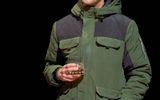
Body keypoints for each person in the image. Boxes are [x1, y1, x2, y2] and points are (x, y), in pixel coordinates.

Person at [43, 0, 152, 100]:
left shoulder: (125, 26)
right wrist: (58, 73)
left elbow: (141, 72)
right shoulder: (61, 26)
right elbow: (49, 66)